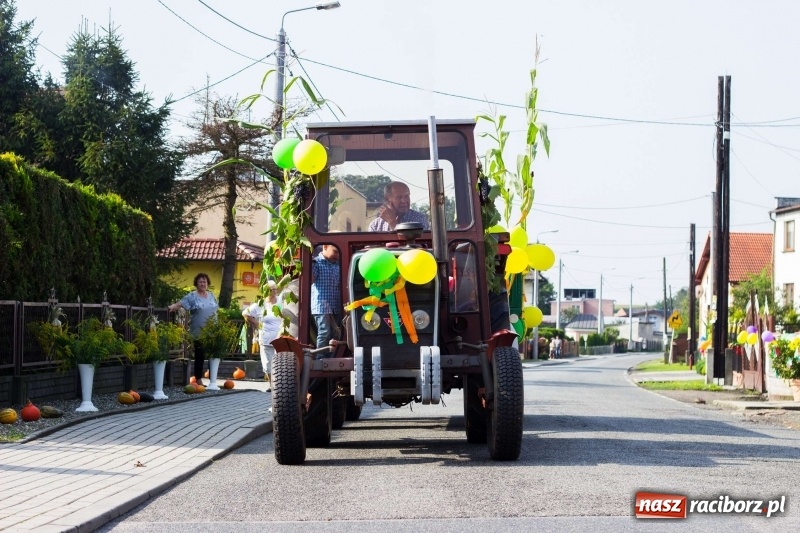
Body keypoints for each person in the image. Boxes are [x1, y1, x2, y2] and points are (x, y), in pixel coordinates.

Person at [167, 273, 218, 385]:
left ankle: (213, 380)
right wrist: (173, 307)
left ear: (207, 283)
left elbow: (215, 311)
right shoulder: (192, 296)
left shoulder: (212, 295)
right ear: (196, 284)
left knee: (214, 354)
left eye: (204, 282)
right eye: (200, 282)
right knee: (200, 354)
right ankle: (198, 379)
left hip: (213, 331)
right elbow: (181, 303)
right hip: (199, 331)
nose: (203, 284)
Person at [242, 280, 282, 390]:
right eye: (270, 290)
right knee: (268, 363)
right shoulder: (260, 304)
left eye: (274, 289)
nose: (273, 292)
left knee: (279, 362)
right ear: (265, 291)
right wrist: (256, 323)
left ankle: (279, 385)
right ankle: (271, 385)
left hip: (280, 337)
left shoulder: (281, 302)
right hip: (266, 338)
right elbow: (245, 313)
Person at [311, 244, 341, 355]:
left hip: (336, 304)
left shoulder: (338, 265)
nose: (337, 255)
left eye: (339, 252)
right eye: (335, 251)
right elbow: (310, 281)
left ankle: (332, 357)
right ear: (325, 247)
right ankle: (320, 357)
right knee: (324, 332)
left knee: (336, 333)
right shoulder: (316, 263)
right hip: (321, 305)